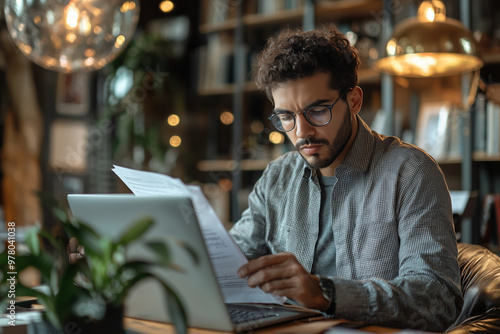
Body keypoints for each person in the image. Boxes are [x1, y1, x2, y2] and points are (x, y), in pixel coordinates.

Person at [229, 25, 462, 332]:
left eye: (317, 111)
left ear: (353, 101)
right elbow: (233, 262)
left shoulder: (411, 172)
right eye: (286, 116)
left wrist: (326, 293)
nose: (301, 132)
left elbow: (436, 298)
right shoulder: (278, 177)